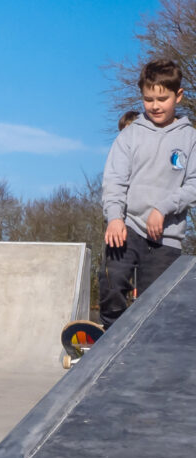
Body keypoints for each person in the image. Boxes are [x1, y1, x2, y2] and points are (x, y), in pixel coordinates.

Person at [100, 59, 196, 330]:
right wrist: (115, 218)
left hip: (166, 237)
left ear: (178, 96)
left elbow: (193, 184)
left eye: (162, 99)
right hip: (127, 226)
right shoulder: (130, 136)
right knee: (112, 281)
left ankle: (145, 353)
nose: (155, 106)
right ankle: (109, 335)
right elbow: (114, 180)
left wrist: (163, 208)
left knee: (155, 306)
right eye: (148, 99)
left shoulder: (190, 139)